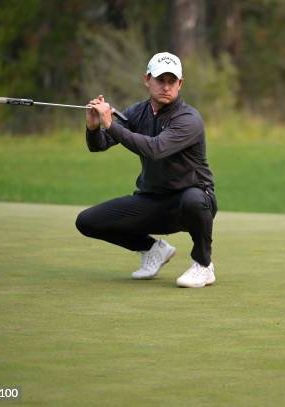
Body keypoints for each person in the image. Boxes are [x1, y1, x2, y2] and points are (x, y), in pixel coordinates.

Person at [75, 52, 218, 288]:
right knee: (87, 221)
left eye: (172, 81)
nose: (166, 86)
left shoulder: (189, 118)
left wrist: (110, 124)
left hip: (190, 202)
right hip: (152, 202)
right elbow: (100, 145)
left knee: (195, 199)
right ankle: (152, 249)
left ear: (180, 84)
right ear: (147, 80)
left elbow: (155, 149)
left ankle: (203, 265)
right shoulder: (137, 112)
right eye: (161, 80)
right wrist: (93, 128)